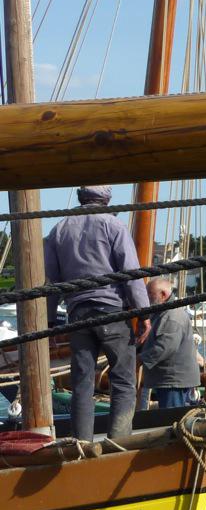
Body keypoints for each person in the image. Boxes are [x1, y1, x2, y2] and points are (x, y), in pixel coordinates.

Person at [44, 185, 152, 440]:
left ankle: (82, 442)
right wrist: (145, 315)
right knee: (124, 381)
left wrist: (49, 321)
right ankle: (118, 442)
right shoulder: (113, 226)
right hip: (111, 311)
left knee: (82, 384)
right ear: (106, 199)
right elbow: (131, 274)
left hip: (78, 314)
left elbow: (51, 283)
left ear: (81, 198)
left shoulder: (58, 230)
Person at [138, 278, 201, 408]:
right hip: (170, 379)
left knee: (170, 420)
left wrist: (140, 359)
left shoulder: (172, 316)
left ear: (163, 295)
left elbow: (165, 347)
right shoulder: (163, 313)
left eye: (150, 293)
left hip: (173, 381)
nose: (147, 297)